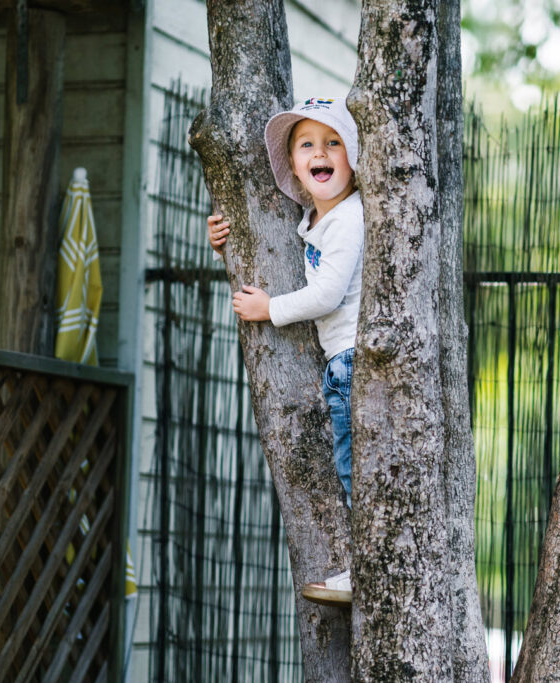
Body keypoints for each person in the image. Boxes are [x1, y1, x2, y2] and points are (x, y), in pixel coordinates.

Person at [206, 97, 361, 606]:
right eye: (307, 144)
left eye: (333, 142)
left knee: (354, 467)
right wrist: (223, 239)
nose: (320, 152)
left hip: (353, 359)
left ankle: (368, 568)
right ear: (294, 164)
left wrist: (269, 308)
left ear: (353, 157)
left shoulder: (349, 219)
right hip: (340, 362)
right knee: (349, 465)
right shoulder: (317, 218)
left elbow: (327, 295)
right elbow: (268, 237)